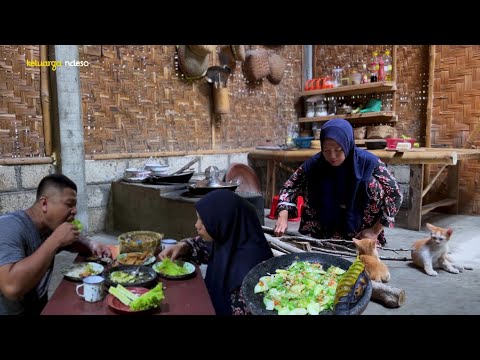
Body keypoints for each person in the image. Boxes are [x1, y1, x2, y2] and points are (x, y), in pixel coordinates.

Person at [274, 118, 403, 246]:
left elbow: (395, 194)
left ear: (347, 143)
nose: (332, 156)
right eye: (326, 150)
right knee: (310, 179)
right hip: (321, 230)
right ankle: (320, 234)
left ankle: (365, 236)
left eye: (338, 149)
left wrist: (375, 230)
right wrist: (283, 216)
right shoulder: (315, 163)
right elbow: (290, 187)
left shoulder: (367, 162)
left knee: (371, 183)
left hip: (360, 231)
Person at [0, 174, 112, 315]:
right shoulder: (8, 227)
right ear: (44, 204)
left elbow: (76, 242)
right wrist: (55, 240)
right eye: (69, 204)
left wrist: (92, 244)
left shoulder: (49, 227)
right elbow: (11, 288)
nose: (75, 211)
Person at [158, 189, 273, 315]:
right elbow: (202, 246)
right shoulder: (230, 238)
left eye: (203, 221)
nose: (197, 225)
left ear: (223, 222)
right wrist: (183, 246)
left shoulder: (250, 277)